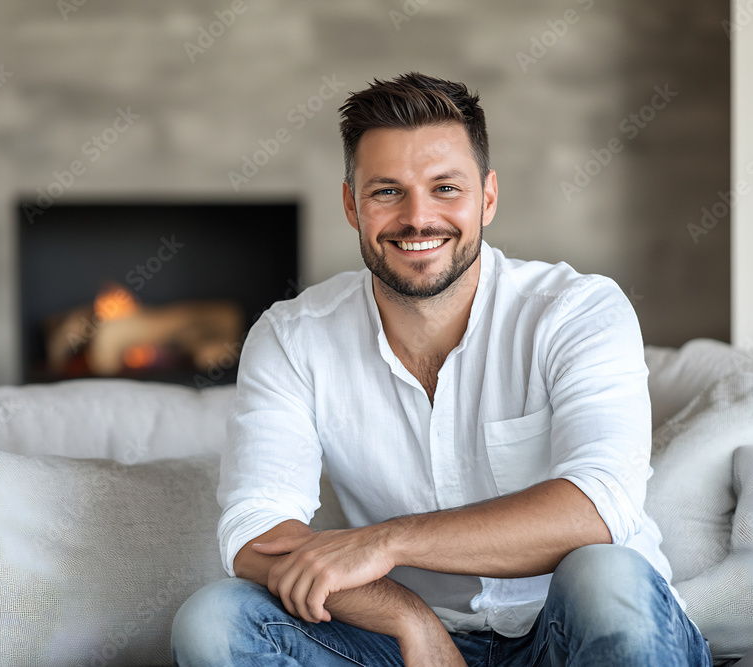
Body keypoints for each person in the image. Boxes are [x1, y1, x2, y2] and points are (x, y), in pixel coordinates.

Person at [172, 72, 711, 666]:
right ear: (352, 204)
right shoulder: (293, 337)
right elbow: (253, 532)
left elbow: (600, 507)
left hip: (580, 635)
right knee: (216, 620)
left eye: (445, 187)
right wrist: (410, 617)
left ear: (488, 196)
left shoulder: (577, 310)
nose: (418, 218)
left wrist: (386, 542)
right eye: (386, 192)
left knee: (607, 573)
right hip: (399, 646)